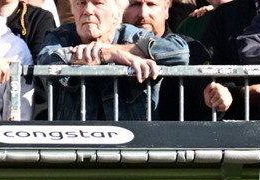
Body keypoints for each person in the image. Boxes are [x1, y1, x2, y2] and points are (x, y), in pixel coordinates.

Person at [37, 0, 198, 120]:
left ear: (116, 14)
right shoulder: (61, 36)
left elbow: (179, 51)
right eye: (81, 3)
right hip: (76, 148)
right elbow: (46, 59)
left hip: (133, 147)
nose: (88, 10)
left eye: (97, 3)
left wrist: (113, 50)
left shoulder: (132, 35)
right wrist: (104, 54)